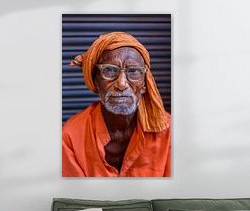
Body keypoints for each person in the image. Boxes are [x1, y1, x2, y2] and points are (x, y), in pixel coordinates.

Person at [62, 32, 171, 177]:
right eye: (109, 70)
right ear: (96, 82)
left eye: (133, 71)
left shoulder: (170, 132)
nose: (122, 84)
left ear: (145, 84)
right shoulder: (71, 137)